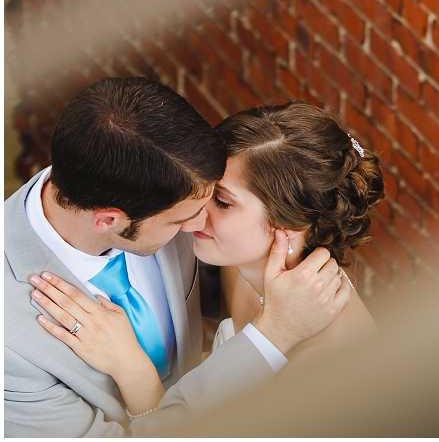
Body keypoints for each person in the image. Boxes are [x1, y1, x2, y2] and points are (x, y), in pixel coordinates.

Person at [4, 78, 350, 437]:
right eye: (182, 218)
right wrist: (272, 335)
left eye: (219, 200)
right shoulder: (11, 349)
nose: (200, 224)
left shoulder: (168, 183)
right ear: (108, 219)